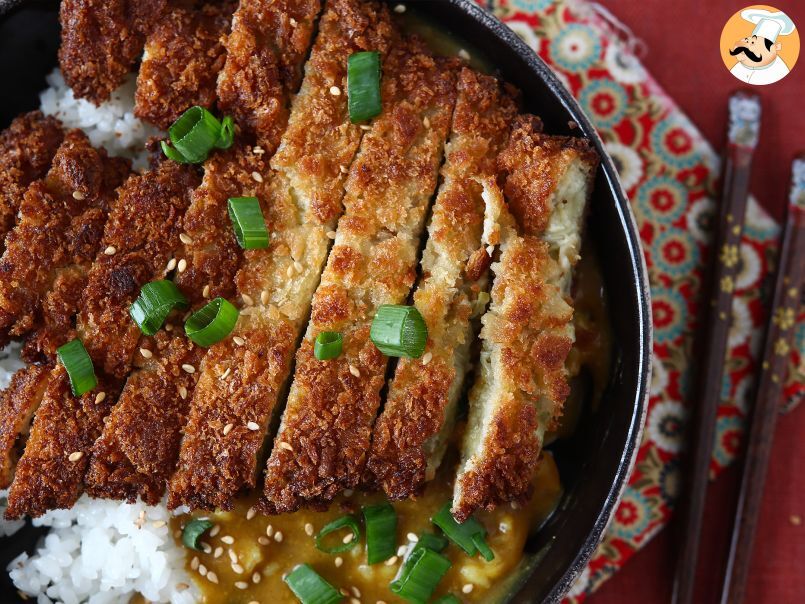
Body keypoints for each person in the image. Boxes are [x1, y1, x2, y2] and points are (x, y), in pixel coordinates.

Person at [729, 9, 796, 85]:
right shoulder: (739, 67)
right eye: (747, 40)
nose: (746, 45)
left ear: (776, 47)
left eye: (753, 43)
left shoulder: (779, 71)